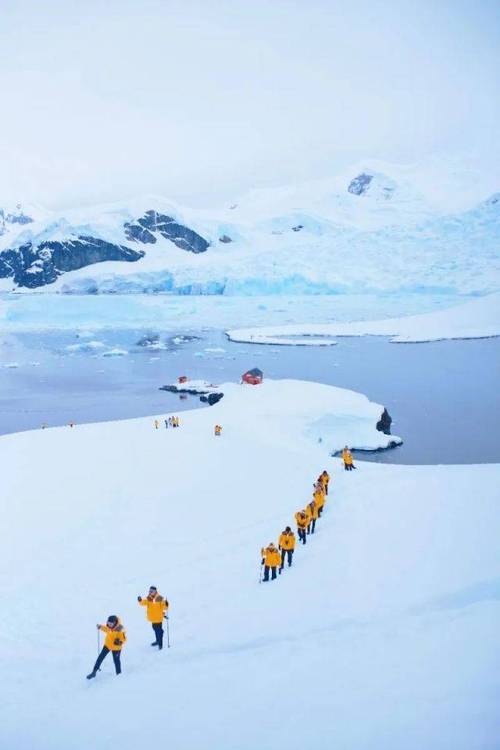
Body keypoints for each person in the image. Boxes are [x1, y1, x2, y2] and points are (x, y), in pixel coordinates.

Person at [87, 615, 126, 679]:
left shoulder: (120, 629)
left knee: (116, 661)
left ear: (115, 622)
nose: (109, 625)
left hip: (116, 648)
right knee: (100, 657)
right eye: (108, 623)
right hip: (108, 645)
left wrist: (119, 642)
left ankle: (119, 675)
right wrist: (100, 627)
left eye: (111, 623)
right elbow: (106, 629)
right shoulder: (109, 627)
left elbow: (124, 639)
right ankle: (94, 672)